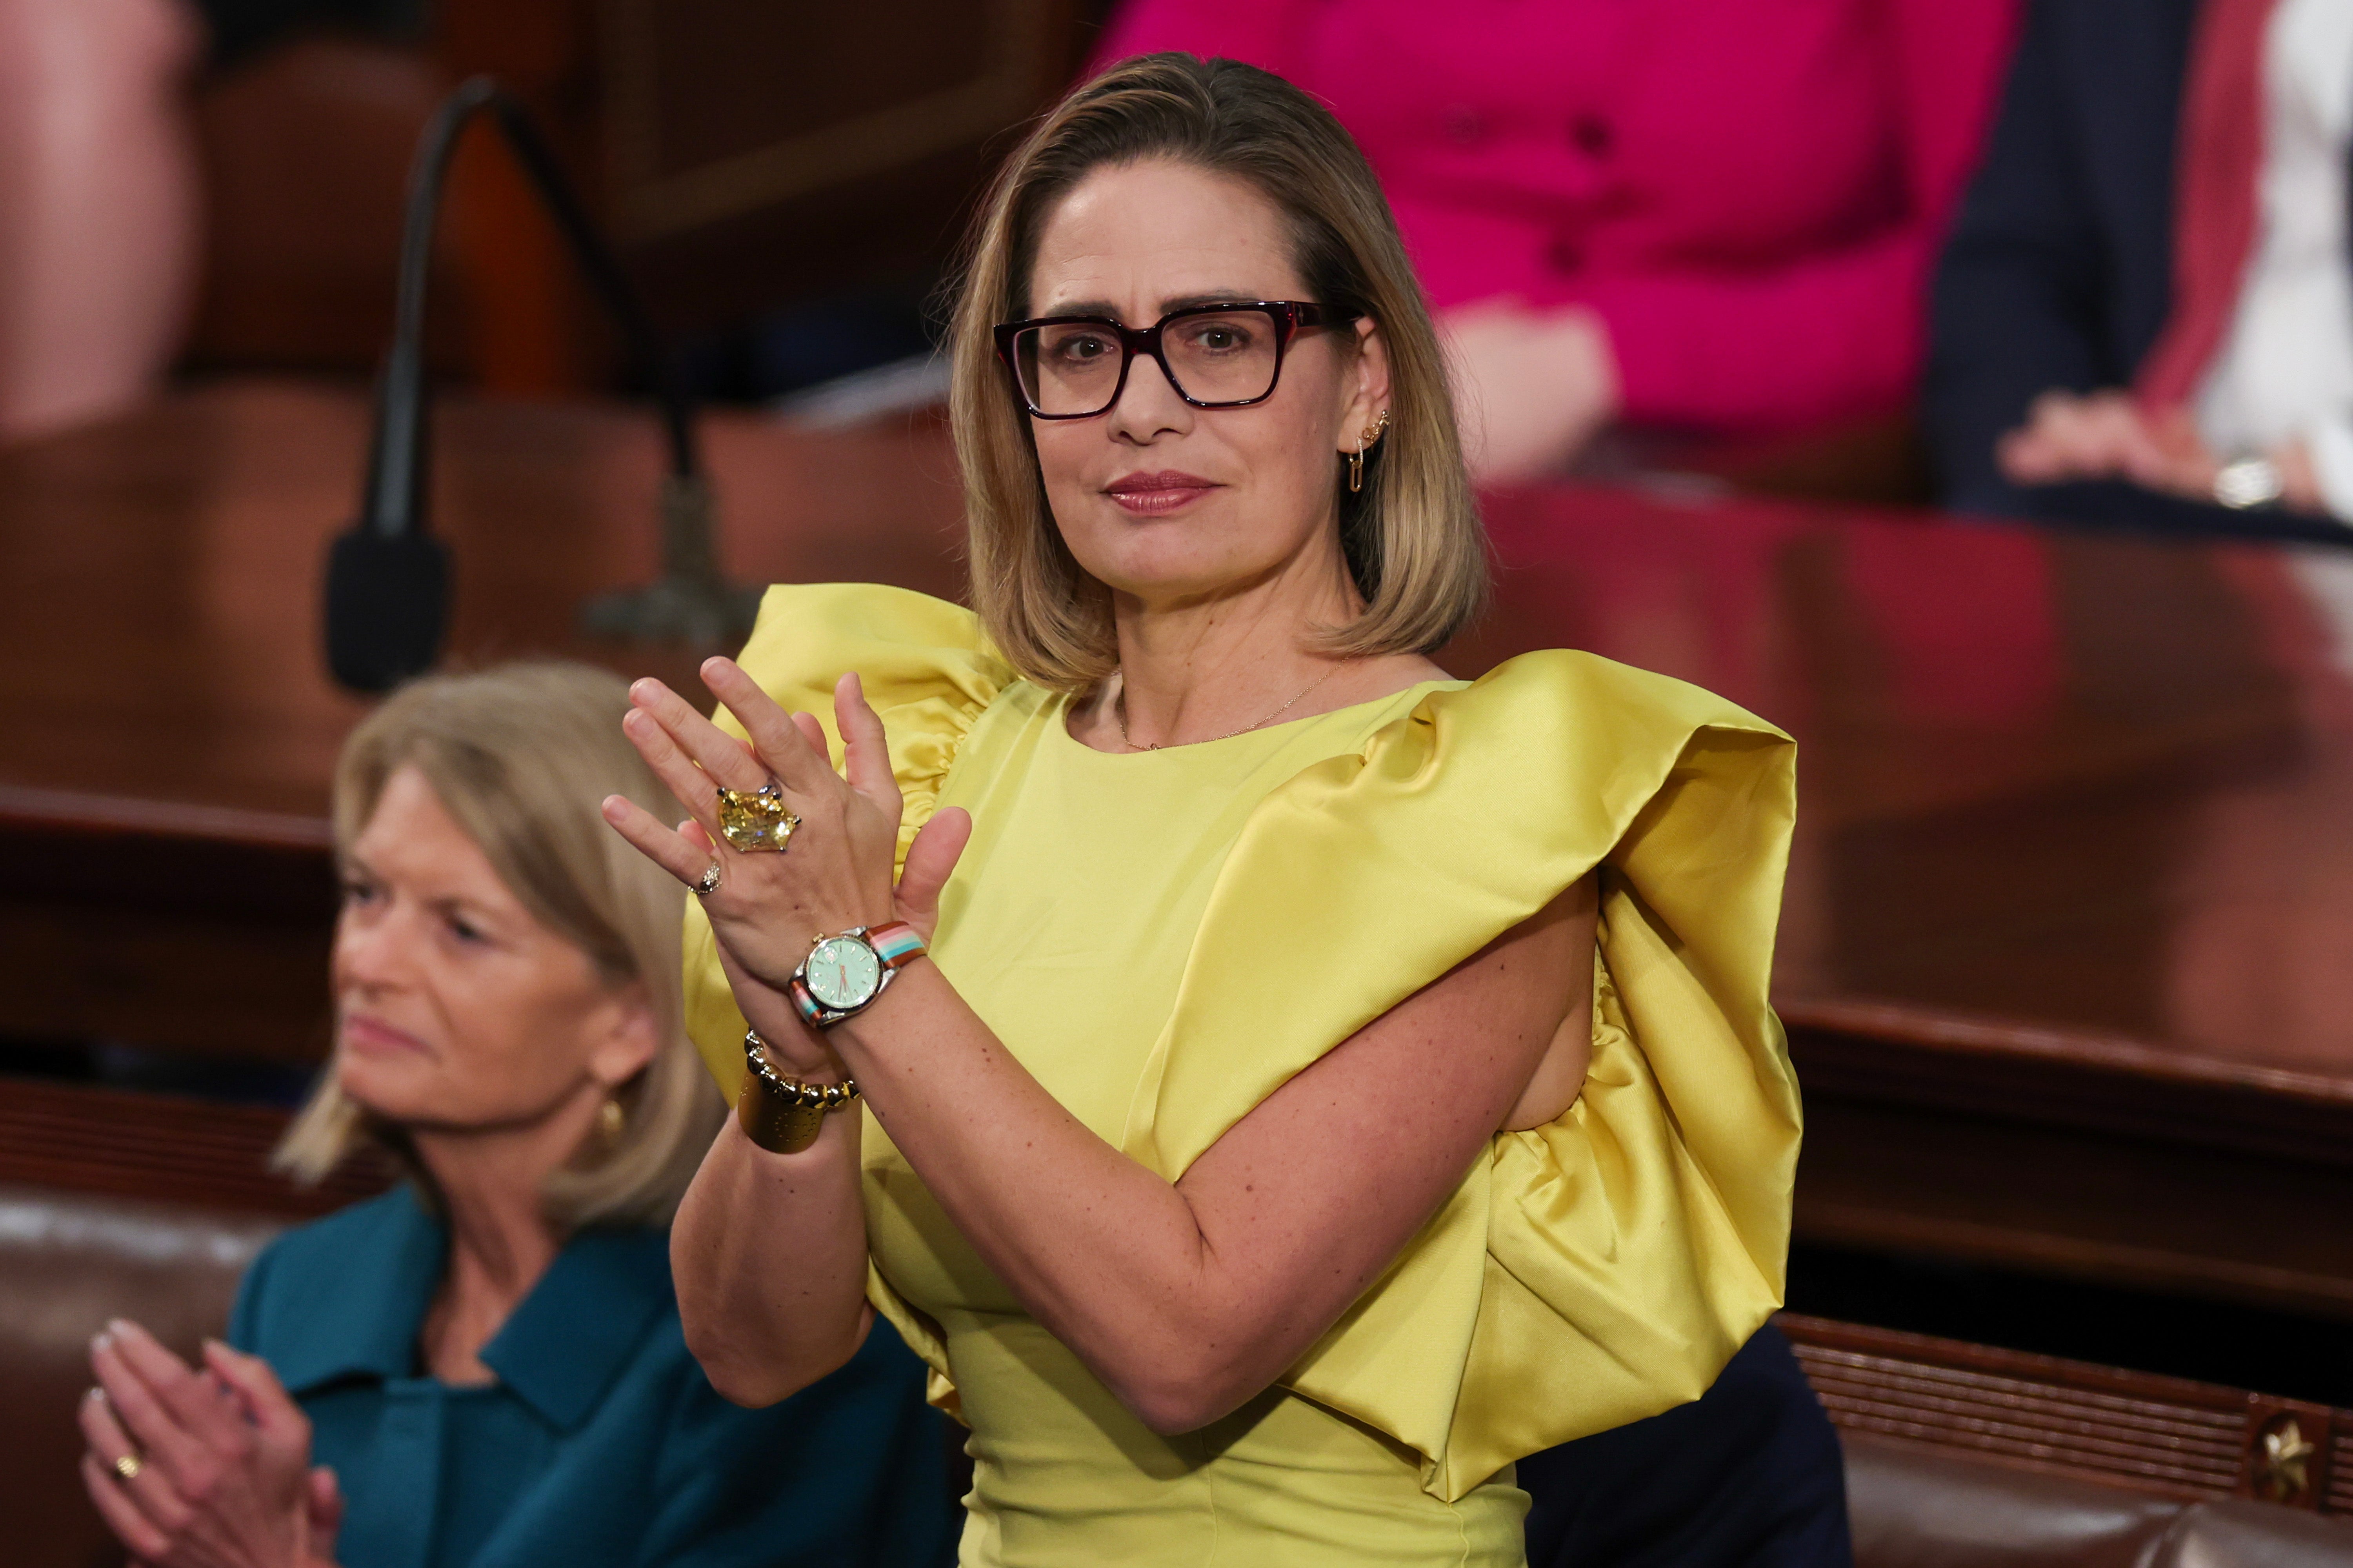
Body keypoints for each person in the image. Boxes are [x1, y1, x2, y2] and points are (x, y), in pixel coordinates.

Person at [604, 56, 1802, 1568]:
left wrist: (863, 976)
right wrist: (794, 1068)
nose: (1143, 410)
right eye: (1082, 348)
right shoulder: (941, 759)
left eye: (1222, 340)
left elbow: (1188, 1338)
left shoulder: (1481, 813)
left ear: (1364, 385)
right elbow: (755, 1354)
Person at [76, 663, 961, 1568]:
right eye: (366, 894)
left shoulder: (777, 1341)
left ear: (632, 1017)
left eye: (461, 928)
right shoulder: (302, 1286)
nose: (370, 963)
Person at [1087, 0, 2018, 483]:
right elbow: (1126, 161)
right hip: (1275, 391)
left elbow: (1995, 271)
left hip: (1697, 473)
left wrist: (1602, 362)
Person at [1928, 0, 2353, 537]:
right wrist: (2066, 432)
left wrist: (2304, 474)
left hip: (2320, 509)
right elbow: (2014, 259)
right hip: (2159, 494)